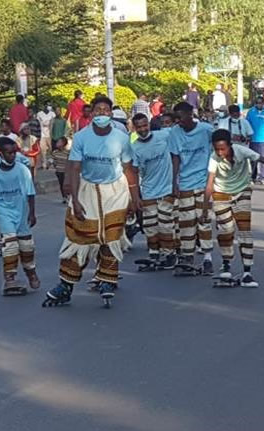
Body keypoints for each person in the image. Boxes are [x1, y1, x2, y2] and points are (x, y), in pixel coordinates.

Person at [44, 96, 140, 307]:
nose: (102, 113)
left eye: (106, 110)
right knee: (78, 238)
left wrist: (135, 199)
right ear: (92, 113)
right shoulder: (81, 137)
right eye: (98, 110)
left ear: (111, 114)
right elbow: (75, 167)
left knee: (111, 237)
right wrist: (75, 200)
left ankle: (107, 280)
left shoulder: (122, 138)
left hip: (115, 191)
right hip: (87, 188)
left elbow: (128, 169)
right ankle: (65, 286)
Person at [203, 129, 264, 286]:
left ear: (230, 146)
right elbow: (210, 184)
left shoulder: (242, 151)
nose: (220, 152)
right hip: (221, 193)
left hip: (242, 191)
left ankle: (247, 272)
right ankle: (226, 266)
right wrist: (205, 208)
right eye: (217, 149)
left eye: (223, 148)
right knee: (226, 231)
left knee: (244, 231)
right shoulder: (214, 158)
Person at [0, 137, 39, 295]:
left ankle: (30, 272)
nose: (12, 155)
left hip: (22, 211)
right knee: (10, 245)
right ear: (0, 153)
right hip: (4, 212)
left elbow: (30, 193)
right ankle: (10, 278)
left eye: (14, 152)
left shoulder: (22, 170)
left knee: (26, 246)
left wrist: (32, 213)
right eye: (9, 153)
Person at [169, 102, 215, 275]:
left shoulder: (205, 129)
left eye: (181, 117)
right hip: (186, 182)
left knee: (203, 219)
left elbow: (220, 146)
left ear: (190, 114)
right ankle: (188, 256)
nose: (179, 122)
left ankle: (207, 258)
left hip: (204, 181)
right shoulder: (175, 132)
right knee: (186, 221)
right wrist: (174, 182)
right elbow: (175, 158)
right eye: (176, 119)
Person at [130, 114, 177, 269]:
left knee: (165, 223)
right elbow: (134, 172)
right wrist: (135, 196)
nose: (143, 129)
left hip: (166, 187)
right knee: (150, 225)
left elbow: (181, 133)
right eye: (139, 127)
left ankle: (169, 253)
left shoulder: (163, 135)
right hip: (148, 189)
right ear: (135, 128)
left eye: (145, 125)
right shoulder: (134, 147)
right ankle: (153, 253)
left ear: (149, 125)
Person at [245, 97, 264, 184]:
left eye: (261, 103)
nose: (259, 104)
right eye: (257, 103)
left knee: (263, 159)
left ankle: (263, 177)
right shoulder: (251, 112)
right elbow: (247, 124)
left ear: (263, 103)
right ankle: (252, 177)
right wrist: (247, 136)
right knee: (253, 159)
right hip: (253, 139)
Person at [35, 103, 55, 169]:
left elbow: (52, 124)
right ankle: (44, 163)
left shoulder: (52, 114)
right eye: (46, 105)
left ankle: (50, 162)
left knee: (51, 149)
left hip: (49, 134)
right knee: (43, 150)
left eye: (49, 105)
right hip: (42, 134)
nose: (47, 106)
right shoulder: (39, 114)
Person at [51, 137, 71, 203]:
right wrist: (49, 164)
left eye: (59, 142)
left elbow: (70, 161)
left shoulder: (68, 152)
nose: (57, 143)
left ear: (63, 144)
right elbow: (52, 160)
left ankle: (68, 195)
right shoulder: (55, 152)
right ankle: (64, 197)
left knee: (66, 184)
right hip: (59, 171)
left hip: (66, 171)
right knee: (61, 184)